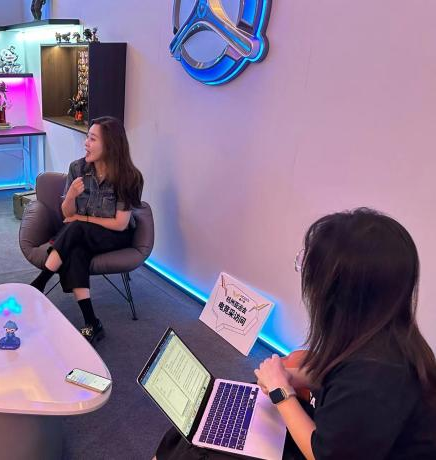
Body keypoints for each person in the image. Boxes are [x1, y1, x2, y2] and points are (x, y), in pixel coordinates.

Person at [155, 208, 436, 459]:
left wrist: (282, 392)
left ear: (339, 293)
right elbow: (344, 385)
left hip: (326, 449)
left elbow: (325, 453)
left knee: (193, 447)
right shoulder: (382, 335)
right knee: (199, 430)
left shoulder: (376, 375)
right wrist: (295, 378)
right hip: (342, 438)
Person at [29, 116, 144, 342]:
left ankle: (40, 282)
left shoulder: (129, 177)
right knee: (76, 251)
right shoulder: (77, 168)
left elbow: (120, 224)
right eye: (87, 137)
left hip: (116, 236)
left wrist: (82, 218)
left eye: (92, 139)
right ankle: (92, 322)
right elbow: (67, 214)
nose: (86, 143)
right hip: (83, 233)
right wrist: (71, 195)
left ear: (110, 145)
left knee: (78, 228)